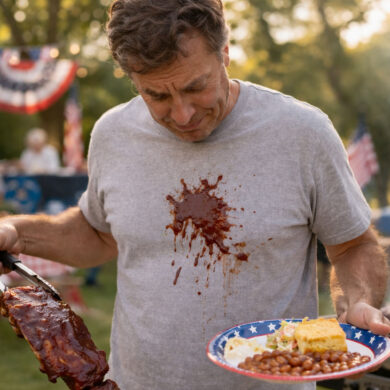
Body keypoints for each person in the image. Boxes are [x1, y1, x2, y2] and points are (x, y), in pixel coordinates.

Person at [0, 1, 389, 389]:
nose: (182, 114)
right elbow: (99, 235)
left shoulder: (303, 133)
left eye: (195, 87)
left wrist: (359, 301)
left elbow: (353, 244)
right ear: (132, 78)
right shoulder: (112, 134)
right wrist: (17, 231)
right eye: (157, 96)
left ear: (225, 52)